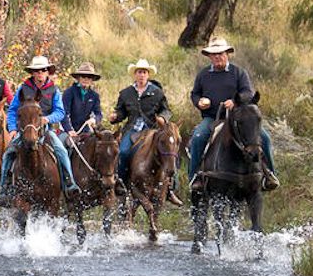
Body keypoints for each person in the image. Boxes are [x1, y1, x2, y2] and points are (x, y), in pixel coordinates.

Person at [188, 36, 279, 191]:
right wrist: (199, 102)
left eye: (220, 53)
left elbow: (247, 92)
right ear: (209, 56)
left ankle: (269, 174)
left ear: (227, 54)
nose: (217, 56)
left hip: (238, 119)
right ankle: (196, 177)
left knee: (264, 138)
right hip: (212, 118)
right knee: (198, 137)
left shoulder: (238, 72)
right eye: (214, 54)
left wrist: (234, 102)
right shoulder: (203, 74)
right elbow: (195, 93)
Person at [0, 56, 78, 208]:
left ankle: (69, 184)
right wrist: (13, 129)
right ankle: (4, 189)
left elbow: (60, 111)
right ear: (32, 73)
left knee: (61, 151)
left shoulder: (54, 89)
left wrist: (47, 119)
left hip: (45, 129)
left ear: (47, 72)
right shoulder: (23, 89)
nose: (40, 73)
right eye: (37, 71)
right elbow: (13, 110)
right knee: (8, 153)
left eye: (43, 70)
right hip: (24, 129)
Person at [109, 59, 183, 206]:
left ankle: (170, 188)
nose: (141, 75)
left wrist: (163, 117)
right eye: (139, 72)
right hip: (132, 130)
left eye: (144, 72)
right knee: (123, 152)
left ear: (148, 75)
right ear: (135, 75)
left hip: (152, 130)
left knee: (169, 151)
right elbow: (121, 111)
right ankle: (121, 184)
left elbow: (166, 110)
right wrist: (116, 116)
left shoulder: (157, 92)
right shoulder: (126, 93)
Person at [61, 62, 103, 141]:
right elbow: (64, 113)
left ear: (92, 80)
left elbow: (98, 114)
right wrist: (69, 130)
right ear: (78, 78)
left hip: (86, 131)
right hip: (67, 130)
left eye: (89, 77)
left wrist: (93, 120)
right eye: (83, 76)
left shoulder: (94, 96)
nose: (86, 79)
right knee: (62, 150)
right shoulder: (69, 92)